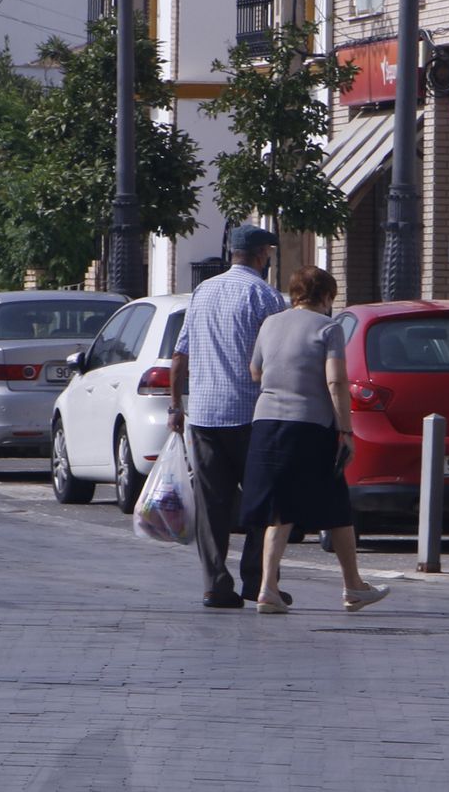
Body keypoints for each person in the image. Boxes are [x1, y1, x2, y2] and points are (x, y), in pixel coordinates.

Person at [241, 266, 389, 614]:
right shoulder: (328, 328)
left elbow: (255, 371)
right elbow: (336, 381)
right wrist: (346, 431)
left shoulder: (270, 324)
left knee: (280, 506)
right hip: (308, 426)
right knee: (336, 506)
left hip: (266, 423)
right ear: (325, 297)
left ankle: (268, 589)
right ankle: (352, 586)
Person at [169, 224, 288, 609]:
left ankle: (215, 584)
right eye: (268, 253)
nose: (269, 258)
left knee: (211, 504)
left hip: (204, 415)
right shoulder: (266, 296)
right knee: (261, 500)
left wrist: (176, 405)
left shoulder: (203, 292)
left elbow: (179, 355)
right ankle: (256, 581)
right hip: (252, 415)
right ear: (259, 255)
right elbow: (278, 357)